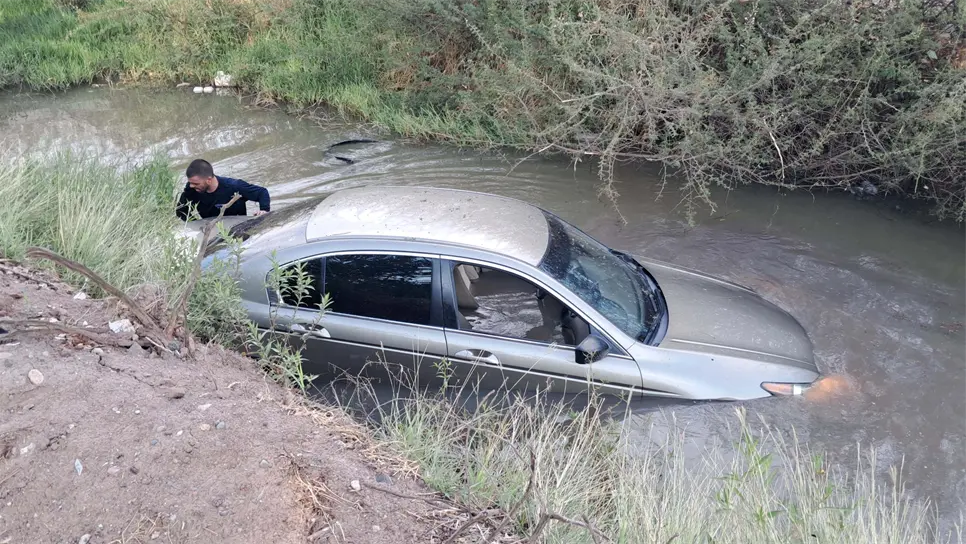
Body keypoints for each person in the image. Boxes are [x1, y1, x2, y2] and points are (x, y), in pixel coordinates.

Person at [175, 159, 271, 221]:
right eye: (190, 183)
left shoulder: (234, 186)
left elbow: (262, 193)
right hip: (211, 231)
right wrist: (197, 225)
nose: (191, 186)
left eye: (196, 183)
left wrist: (263, 210)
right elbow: (181, 211)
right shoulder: (191, 190)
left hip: (239, 228)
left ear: (208, 180)